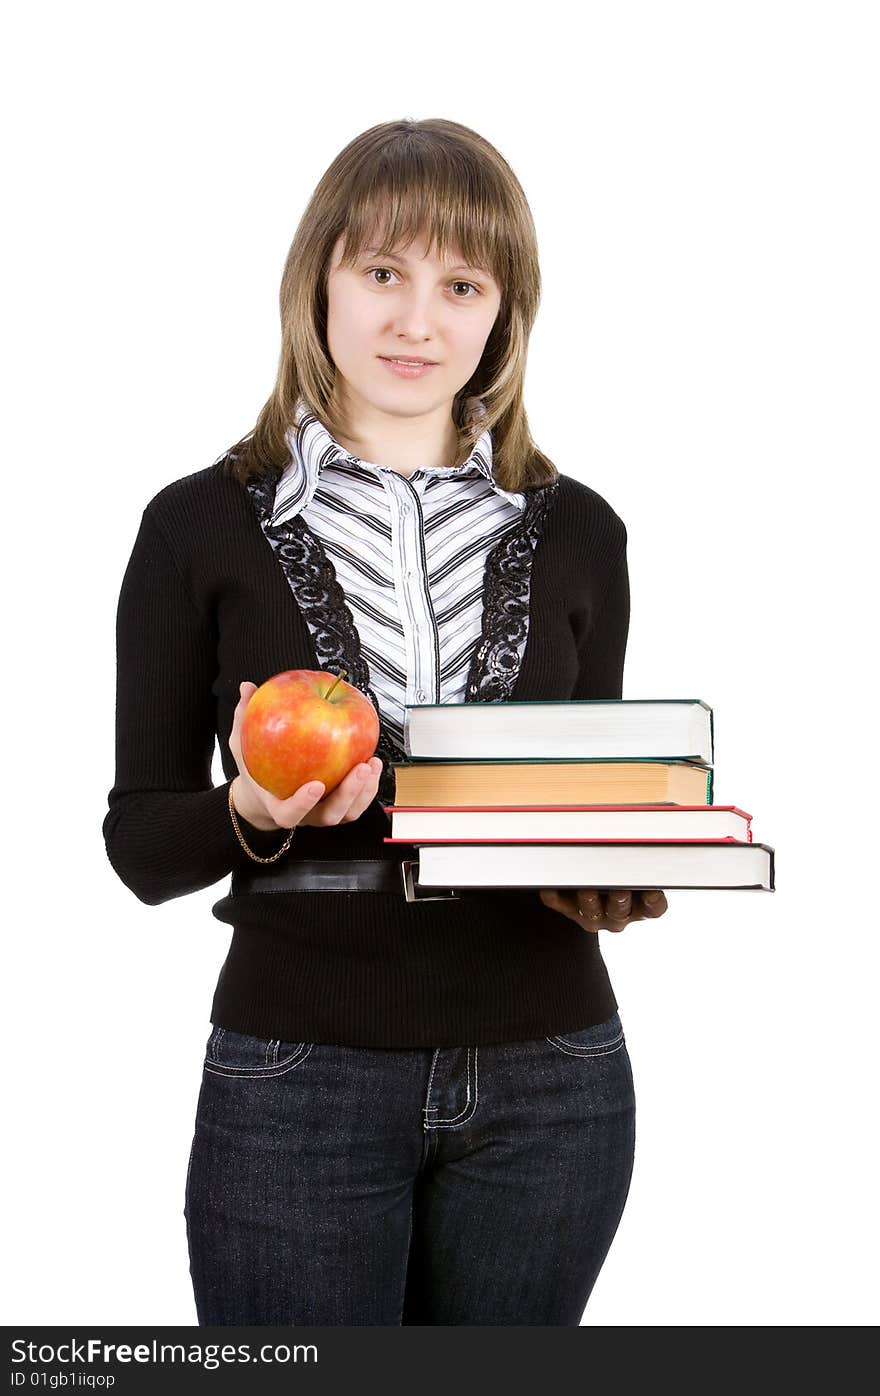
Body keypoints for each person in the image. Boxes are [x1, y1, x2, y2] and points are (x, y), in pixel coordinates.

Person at [103, 116, 669, 1327]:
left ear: (503, 313)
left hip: (554, 1079)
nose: (418, 322)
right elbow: (141, 845)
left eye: (461, 284)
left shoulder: (582, 534)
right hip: (296, 1073)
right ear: (318, 281)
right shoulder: (195, 527)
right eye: (382, 273)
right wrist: (251, 812)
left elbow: (585, 801)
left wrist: (611, 874)